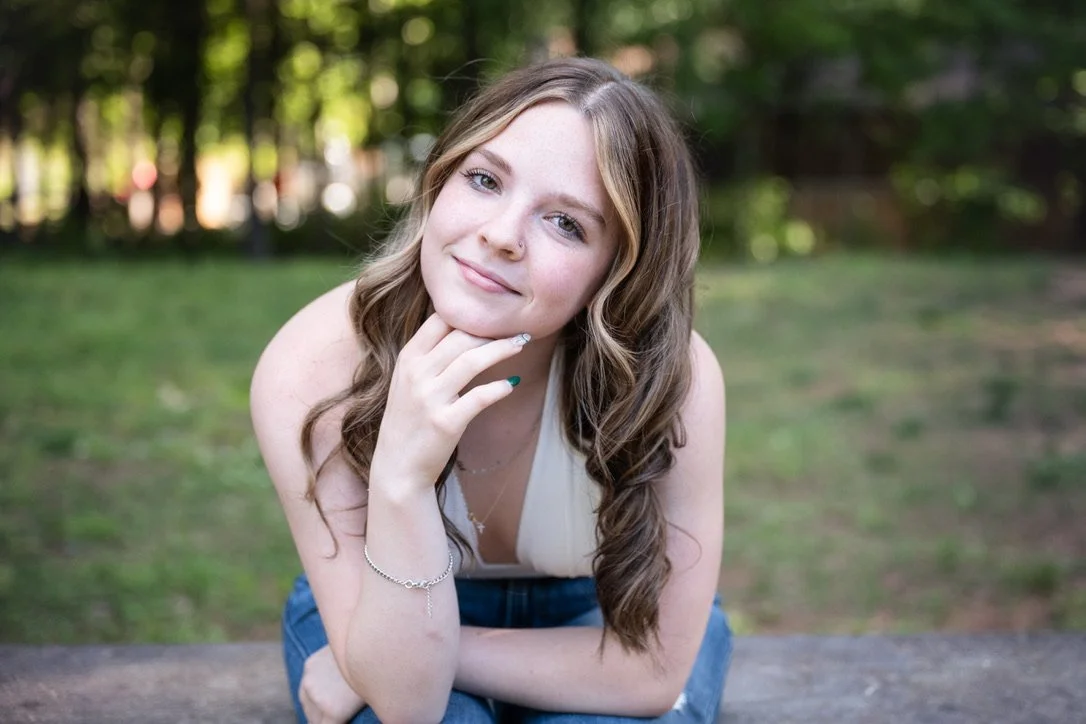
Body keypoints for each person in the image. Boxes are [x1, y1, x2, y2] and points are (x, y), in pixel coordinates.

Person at [250, 56, 731, 723]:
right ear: (440, 182)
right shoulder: (316, 369)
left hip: (600, 614)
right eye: (484, 180)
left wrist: (395, 657)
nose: (500, 236)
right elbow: (407, 704)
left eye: (566, 223)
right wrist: (400, 479)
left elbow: (647, 670)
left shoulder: (671, 380)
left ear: (618, 271)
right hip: (382, 600)